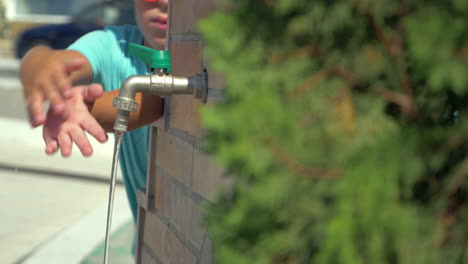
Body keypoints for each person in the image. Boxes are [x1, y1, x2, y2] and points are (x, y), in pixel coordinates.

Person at [19, 0, 168, 252]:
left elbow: (157, 103)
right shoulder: (115, 47)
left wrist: (93, 108)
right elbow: (57, 62)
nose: (165, 2)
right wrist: (39, 65)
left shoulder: (227, 55)